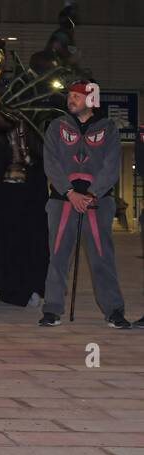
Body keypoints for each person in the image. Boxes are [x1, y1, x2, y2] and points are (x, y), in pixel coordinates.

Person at [38, 82, 132, 329]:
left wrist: (91, 194)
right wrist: (70, 193)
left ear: (92, 100)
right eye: (70, 95)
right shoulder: (57, 127)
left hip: (97, 203)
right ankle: (52, 309)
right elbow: (51, 163)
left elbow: (111, 166)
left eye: (77, 96)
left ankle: (114, 310)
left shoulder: (108, 129)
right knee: (57, 257)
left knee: (102, 258)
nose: (71, 99)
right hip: (62, 201)